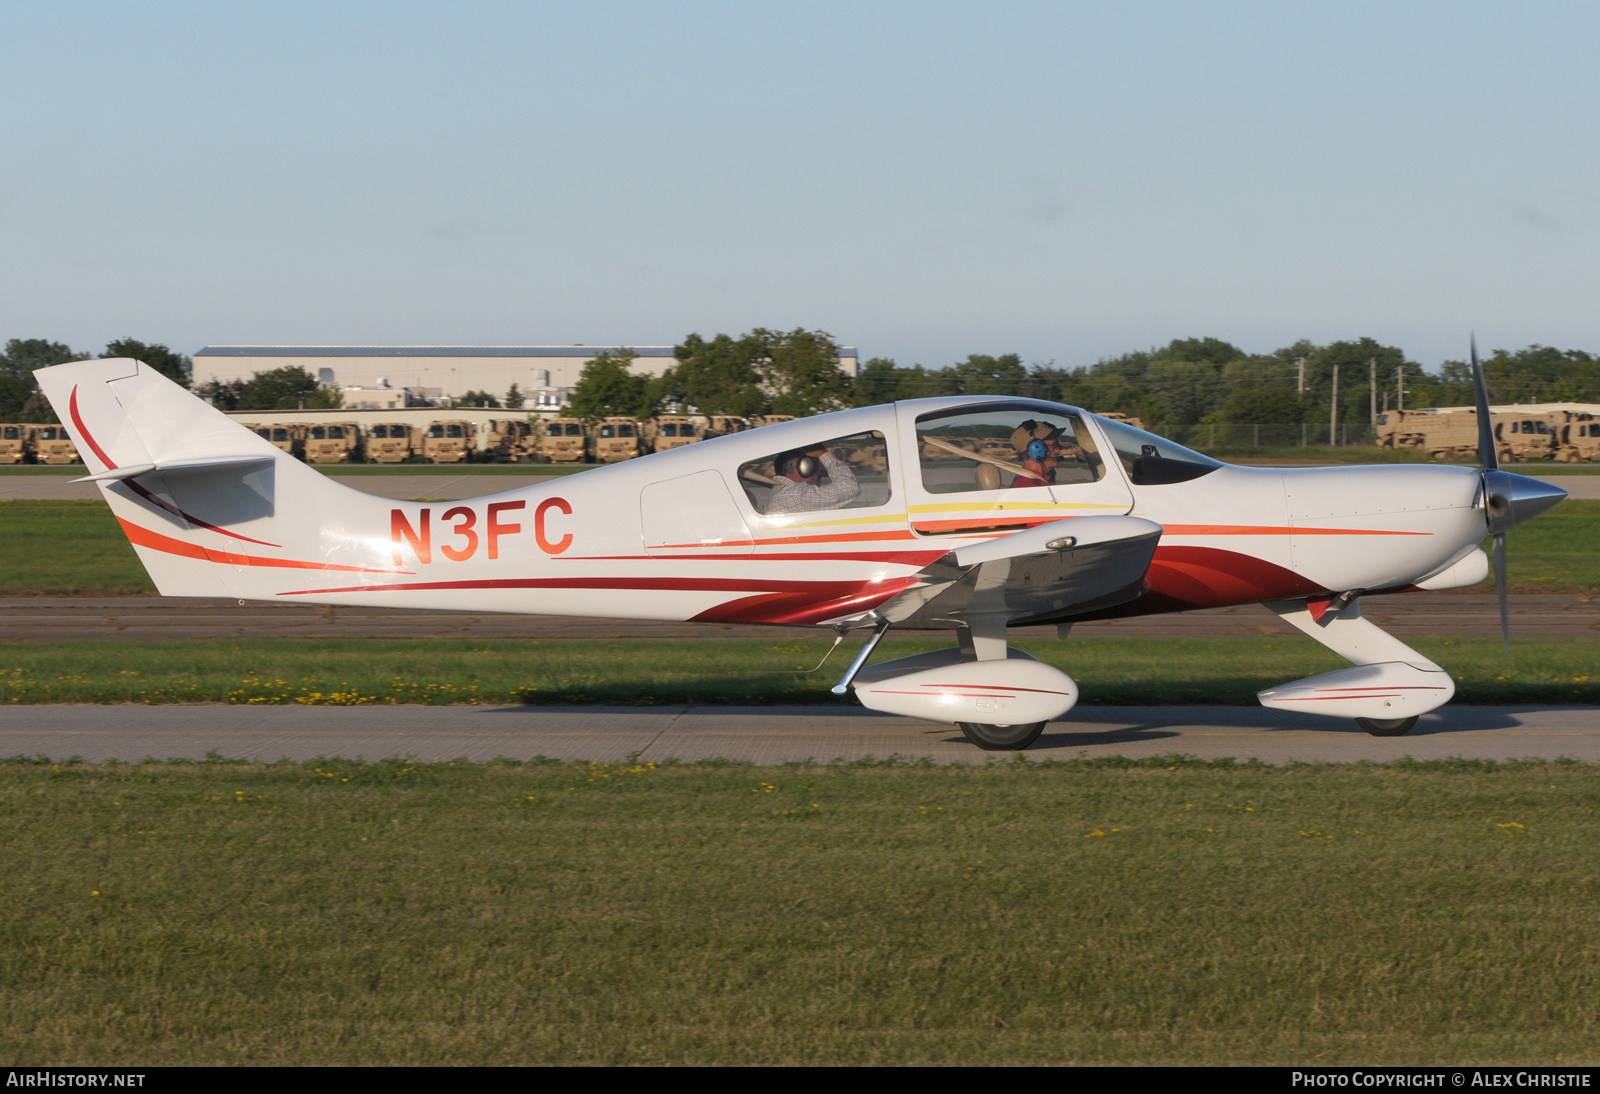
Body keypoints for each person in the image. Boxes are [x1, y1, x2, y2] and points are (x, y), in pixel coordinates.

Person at [765, 445, 861, 513]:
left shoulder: (783, 494)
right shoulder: (796, 496)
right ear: (805, 467)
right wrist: (821, 453)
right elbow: (850, 488)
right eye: (819, 473)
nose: (820, 484)